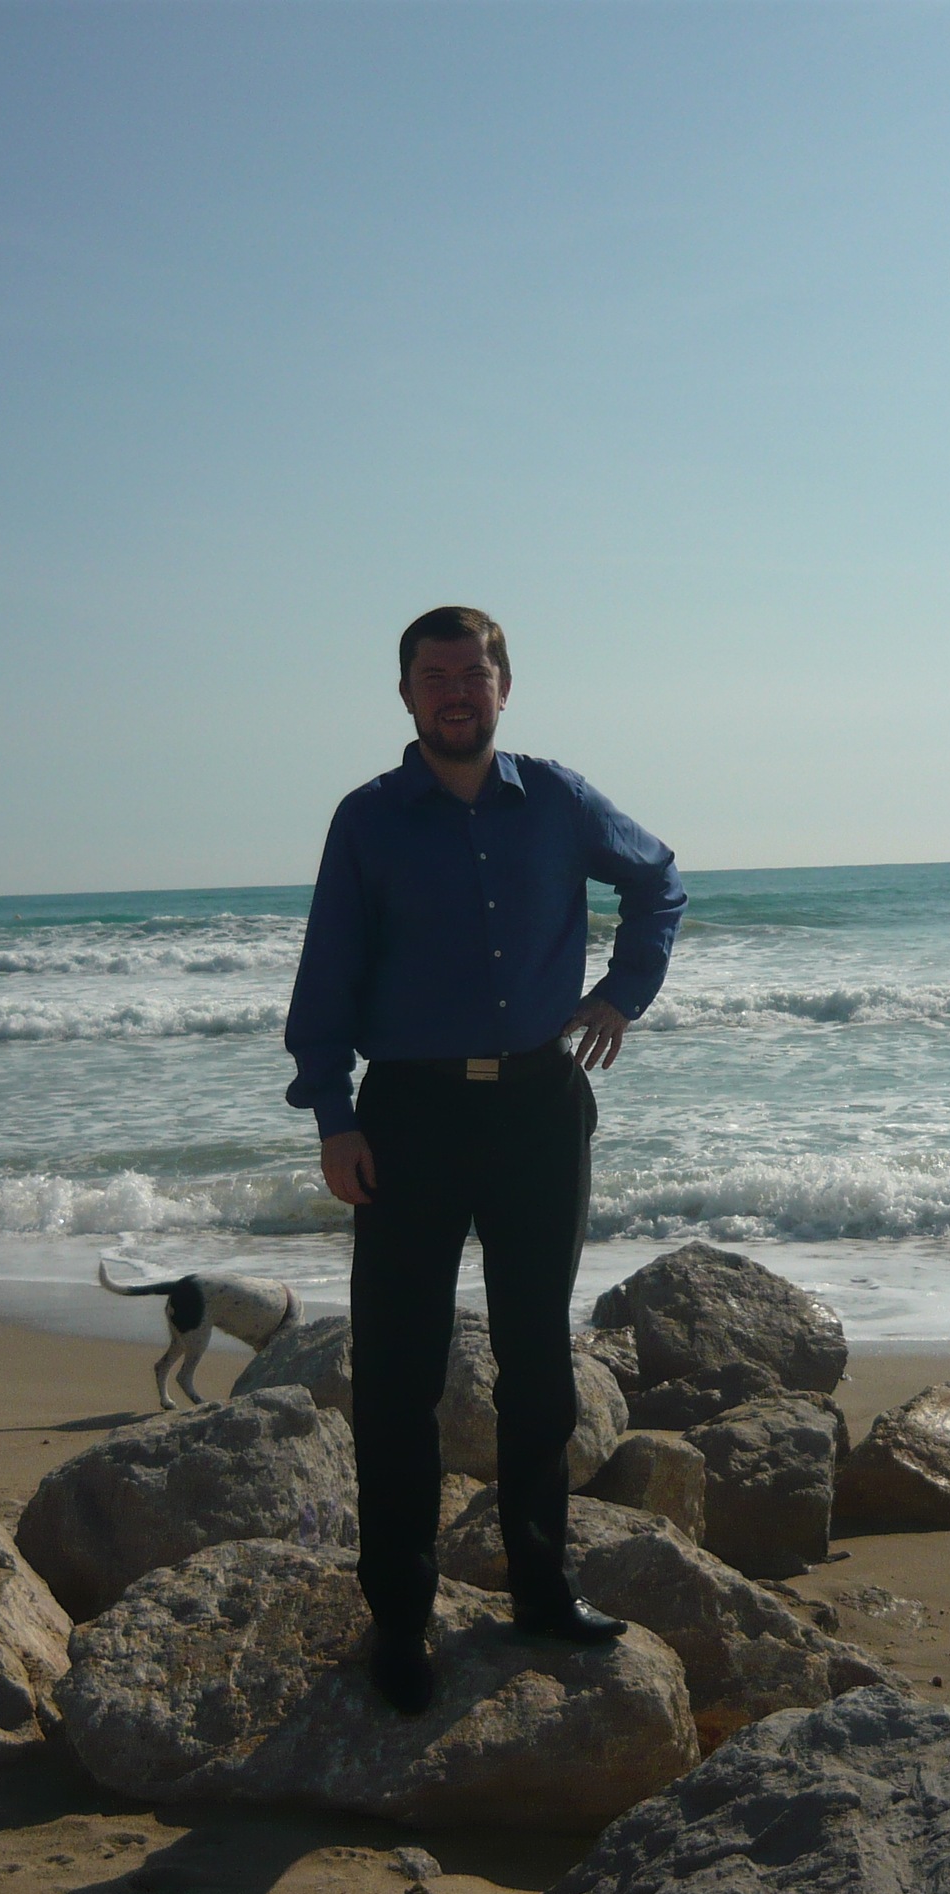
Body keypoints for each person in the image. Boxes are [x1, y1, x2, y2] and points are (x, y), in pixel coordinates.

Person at [284, 605, 686, 1715]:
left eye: (473, 674)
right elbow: (326, 975)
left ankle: (543, 1591)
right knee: (399, 1374)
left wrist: (623, 993)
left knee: (537, 1362)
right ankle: (399, 1618)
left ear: (504, 685)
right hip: (406, 1117)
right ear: (406, 694)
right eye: (435, 676)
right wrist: (333, 1116)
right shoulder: (368, 820)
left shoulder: (556, 799)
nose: (455, 693)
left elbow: (657, 879)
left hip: (537, 1108)